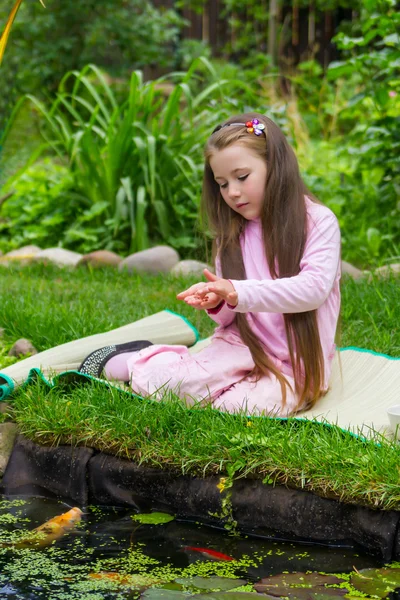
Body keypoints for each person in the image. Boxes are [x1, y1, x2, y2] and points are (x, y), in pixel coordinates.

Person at [80, 113, 341, 416]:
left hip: (295, 361)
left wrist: (236, 291)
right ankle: (141, 359)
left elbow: (313, 290)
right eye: (222, 183)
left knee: (240, 407)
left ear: (276, 166)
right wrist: (220, 301)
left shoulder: (318, 222)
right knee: (172, 386)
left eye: (242, 177)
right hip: (241, 345)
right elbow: (232, 318)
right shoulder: (235, 234)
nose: (232, 192)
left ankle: (210, 382)